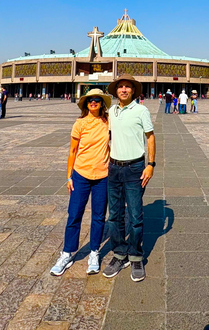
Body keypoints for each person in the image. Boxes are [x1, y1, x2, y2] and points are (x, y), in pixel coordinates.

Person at [50, 88, 112, 276]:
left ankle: (94, 252)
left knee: (99, 216)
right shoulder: (79, 124)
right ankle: (67, 253)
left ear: (102, 103)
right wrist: (68, 176)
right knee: (74, 214)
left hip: (103, 175)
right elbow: (72, 151)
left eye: (97, 100)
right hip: (80, 174)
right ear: (85, 104)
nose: (93, 102)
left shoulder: (108, 121)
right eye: (90, 100)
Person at [102, 74, 156, 282]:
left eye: (127, 87)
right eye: (120, 87)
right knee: (114, 215)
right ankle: (119, 254)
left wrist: (150, 165)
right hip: (114, 168)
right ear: (116, 90)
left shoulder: (141, 110)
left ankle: (135, 255)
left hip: (135, 168)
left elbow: (150, 137)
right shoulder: (112, 112)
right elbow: (106, 136)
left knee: (135, 216)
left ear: (133, 91)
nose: (124, 90)